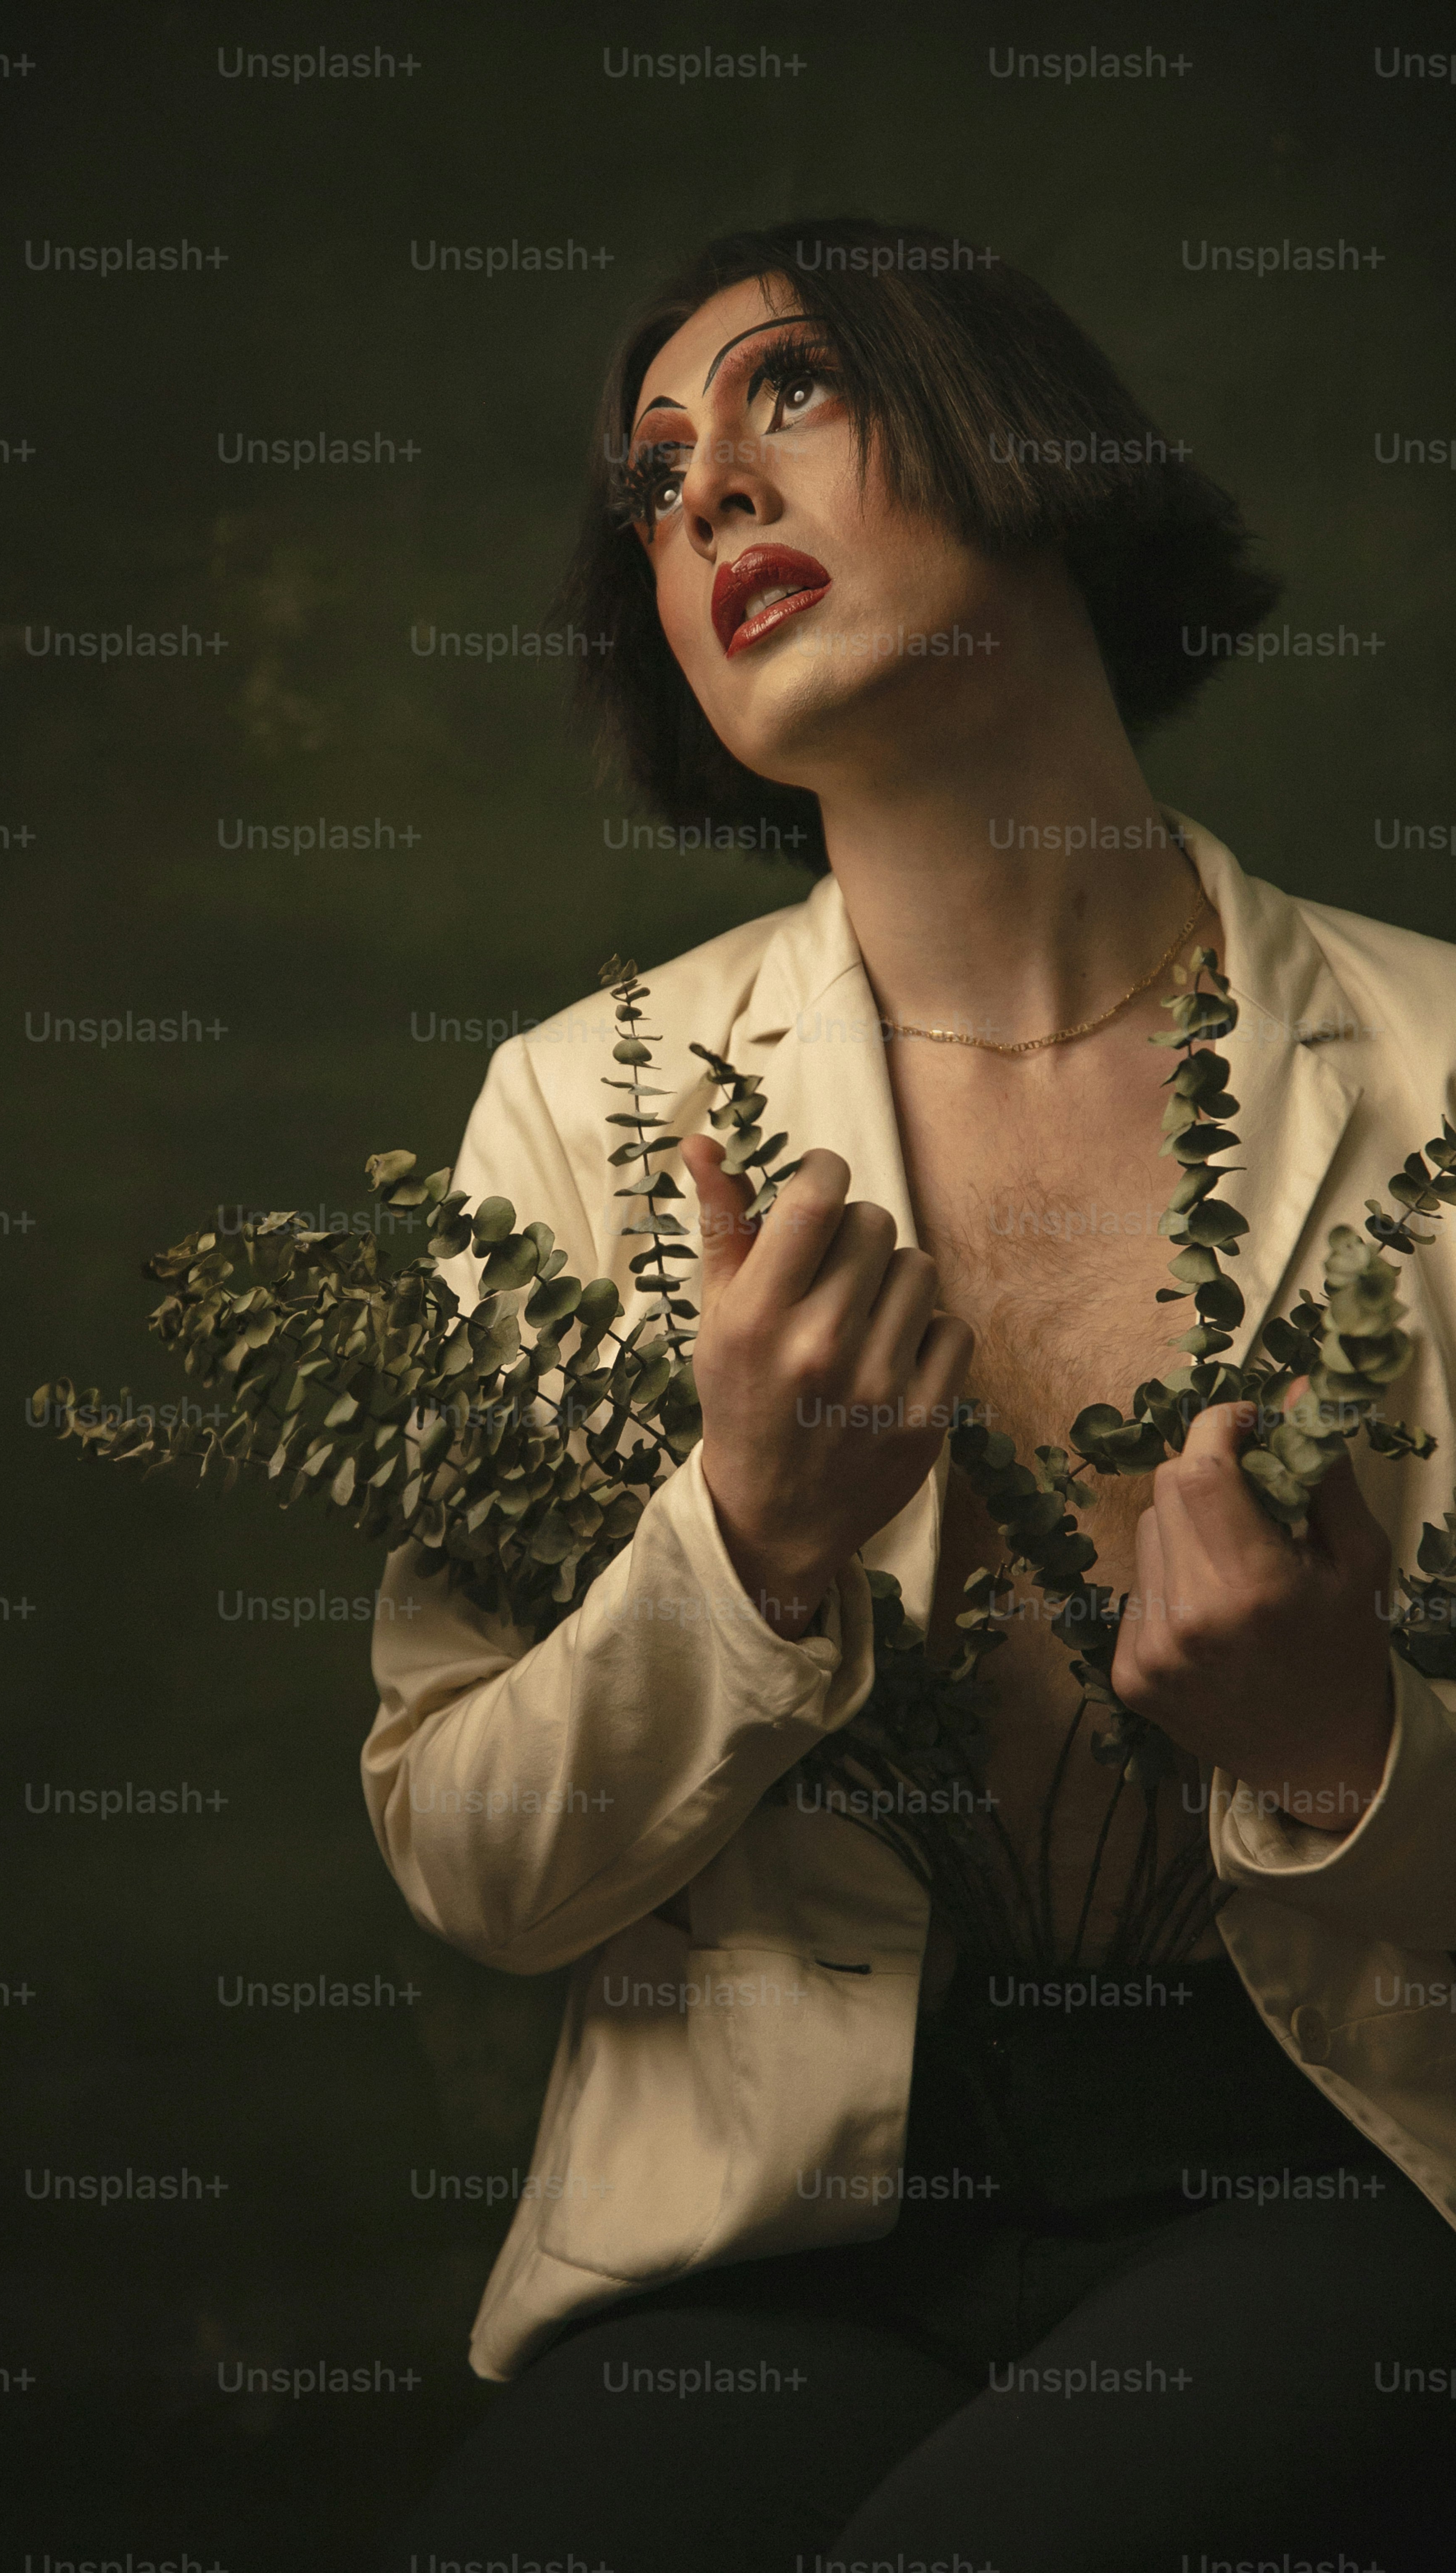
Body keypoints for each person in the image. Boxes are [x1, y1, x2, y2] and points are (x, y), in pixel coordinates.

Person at [365, 218, 1456, 2571]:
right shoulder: (579, 1113)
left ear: (1026, 439)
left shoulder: (1444, 1074)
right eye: (652, 486)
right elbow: (472, 1856)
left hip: (1354, 2169)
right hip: (776, 2234)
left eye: (789, 397)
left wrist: (1340, 1745)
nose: (709, 498)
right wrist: (739, 1549)